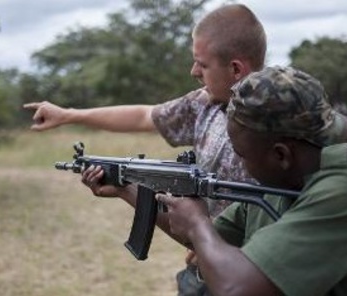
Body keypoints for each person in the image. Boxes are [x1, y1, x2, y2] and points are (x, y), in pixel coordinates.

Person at [24, 4, 270, 295]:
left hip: (253, 274)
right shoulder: (205, 104)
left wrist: (211, 242)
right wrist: (70, 115)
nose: (193, 71)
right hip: (203, 267)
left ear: (236, 69)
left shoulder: (278, 125)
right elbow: (146, 116)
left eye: (202, 64)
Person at [152, 66, 347, 295]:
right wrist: (129, 187)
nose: (242, 164)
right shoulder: (285, 183)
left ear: (281, 155)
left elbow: (237, 288)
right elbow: (217, 237)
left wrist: (197, 225)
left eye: (243, 156)